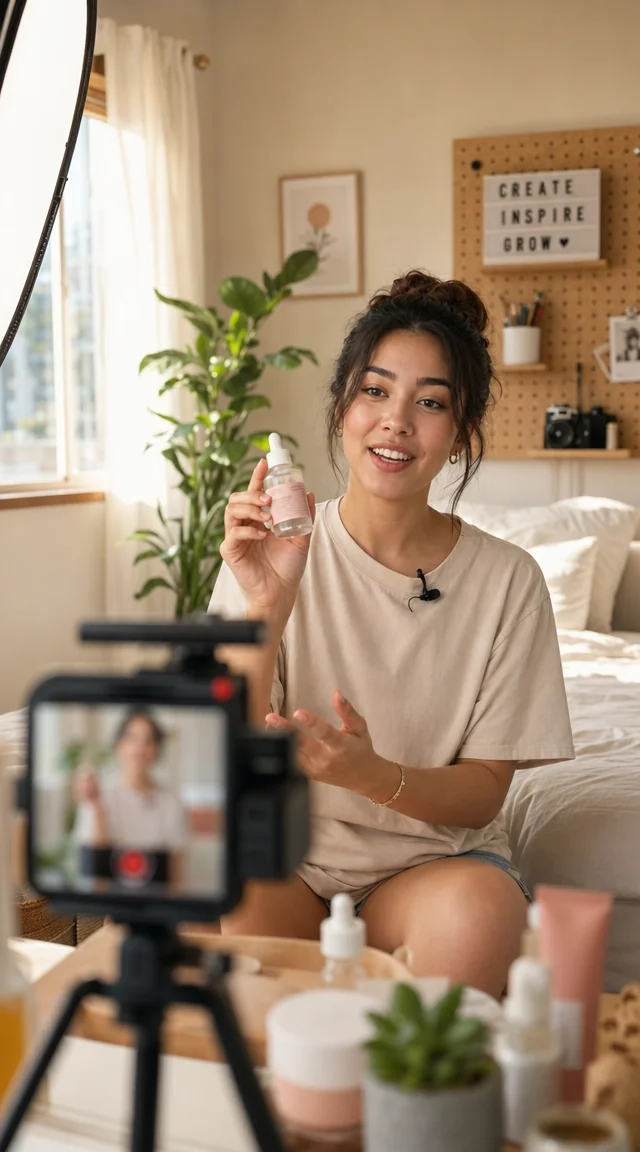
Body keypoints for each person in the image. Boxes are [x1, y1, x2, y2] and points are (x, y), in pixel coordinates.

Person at [209, 271, 575, 998]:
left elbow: (483, 796)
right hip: (289, 862)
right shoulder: (272, 550)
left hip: (435, 870)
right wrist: (266, 605)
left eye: (430, 402)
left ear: (461, 432)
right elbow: (226, 752)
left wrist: (369, 775)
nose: (396, 421)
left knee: (480, 917)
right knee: (218, 870)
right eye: (375, 391)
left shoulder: (509, 581)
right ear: (343, 405)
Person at [74, 710, 188, 889]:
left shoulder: (171, 801)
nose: (140, 748)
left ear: (157, 750)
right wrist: (96, 808)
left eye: (148, 741)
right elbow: (95, 879)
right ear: (118, 746)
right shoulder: (98, 796)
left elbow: (175, 873)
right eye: (132, 738)